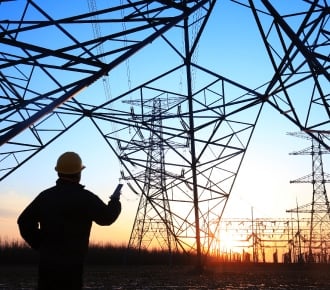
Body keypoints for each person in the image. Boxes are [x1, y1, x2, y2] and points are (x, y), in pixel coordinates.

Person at [17, 151, 122, 290]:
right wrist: (115, 201)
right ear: (79, 173)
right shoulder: (86, 198)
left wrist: (40, 244)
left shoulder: (45, 196)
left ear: (58, 172)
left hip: (48, 264)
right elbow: (107, 218)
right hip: (73, 265)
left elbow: (24, 221)